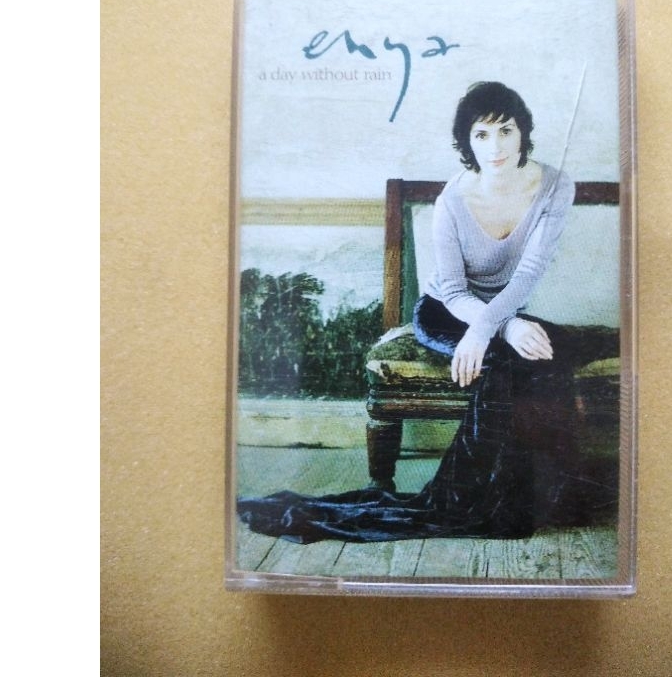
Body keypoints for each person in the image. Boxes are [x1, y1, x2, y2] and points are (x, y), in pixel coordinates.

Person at [238, 82, 579, 543]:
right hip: (446, 312)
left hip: (499, 313)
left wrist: (502, 324)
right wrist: (495, 330)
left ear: (523, 132)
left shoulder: (556, 186)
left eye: (506, 131)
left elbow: (529, 273)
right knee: (502, 361)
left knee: (545, 359)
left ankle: (533, 497)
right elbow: (452, 291)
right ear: (467, 142)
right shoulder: (453, 200)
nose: (495, 147)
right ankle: (460, 501)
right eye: (481, 135)